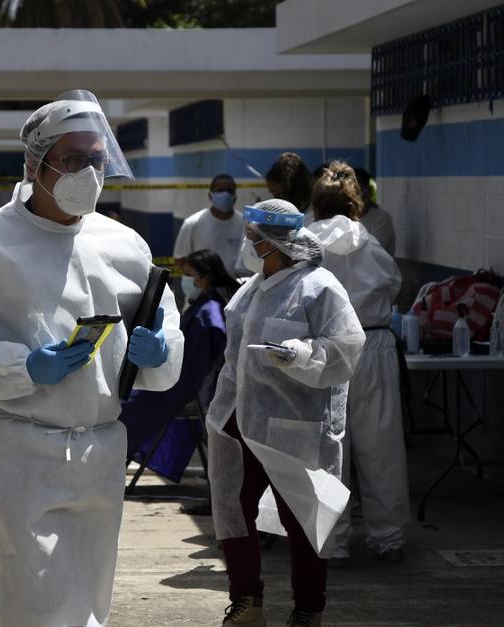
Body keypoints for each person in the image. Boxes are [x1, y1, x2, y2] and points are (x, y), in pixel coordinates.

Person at [0, 89, 184, 627]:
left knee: (89, 595)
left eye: (97, 159)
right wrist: (23, 367)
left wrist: (160, 351)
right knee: (37, 601)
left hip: (103, 446)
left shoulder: (123, 243)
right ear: (35, 164)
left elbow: (163, 325)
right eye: (74, 160)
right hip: (21, 448)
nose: (90, 173)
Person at [208, 199, 365, 627]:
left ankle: (308, 608)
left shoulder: (319, 288)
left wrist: (302, 353)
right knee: (234, 510)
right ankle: (246, 602)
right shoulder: (249, 291)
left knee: (304, 519)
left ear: (275, 242)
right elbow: (233, 359)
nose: (247, 241)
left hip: (295, 426)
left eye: (254, 236)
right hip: (239, 422)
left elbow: (348, 348)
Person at [308, 162, 410, 566]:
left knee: (327, 451)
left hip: (325, 351)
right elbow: (394, 285)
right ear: (355, 207)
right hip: (374, 345)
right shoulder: (371, 242)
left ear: (315, 206)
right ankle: (390, 538)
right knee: (381, 445)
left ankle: (333, 542)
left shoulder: (304, 244)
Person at [120, 249, 240, 482]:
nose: (186, 280)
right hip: (178, 377)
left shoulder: (209, 314)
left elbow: (191, 367)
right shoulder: (204, 305)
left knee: (125, 406)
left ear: (204, 277)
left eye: (189, 274)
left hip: (180, 384)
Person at [173, 173, 246, 277]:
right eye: (220, 190)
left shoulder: (245, 224)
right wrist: (199, 281)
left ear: (235, 197)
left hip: (235, 289)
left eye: (229, 191)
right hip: (201, 290)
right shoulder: (192, 223)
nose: (225, 194)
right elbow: (180, 259)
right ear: (210, 195)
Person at [351, 166, 396, 256]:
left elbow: (371, 254)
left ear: (368, 193)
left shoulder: (381, 219)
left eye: (356, 192)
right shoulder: (343, 218)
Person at [265, 152, 314, 226]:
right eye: (274, 196)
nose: (276, 202)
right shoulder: (281, 218)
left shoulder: (315, 220)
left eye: (278, 195)